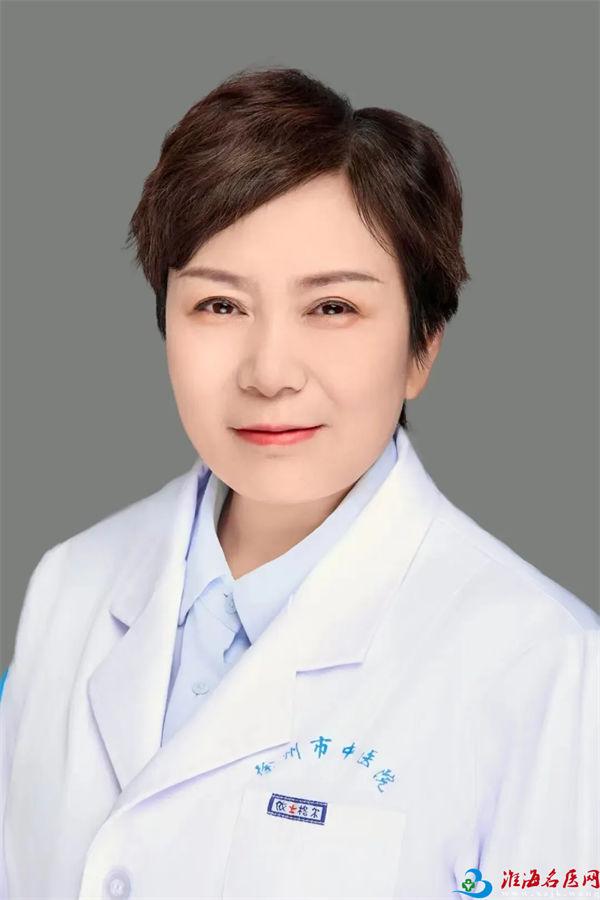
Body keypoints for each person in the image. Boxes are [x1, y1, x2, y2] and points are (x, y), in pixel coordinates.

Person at [1, 64, 598, 900]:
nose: (269, 372)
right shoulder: (68, 586)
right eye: (219, 305)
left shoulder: (547, 666)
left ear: (422, 346)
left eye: (332, 308)